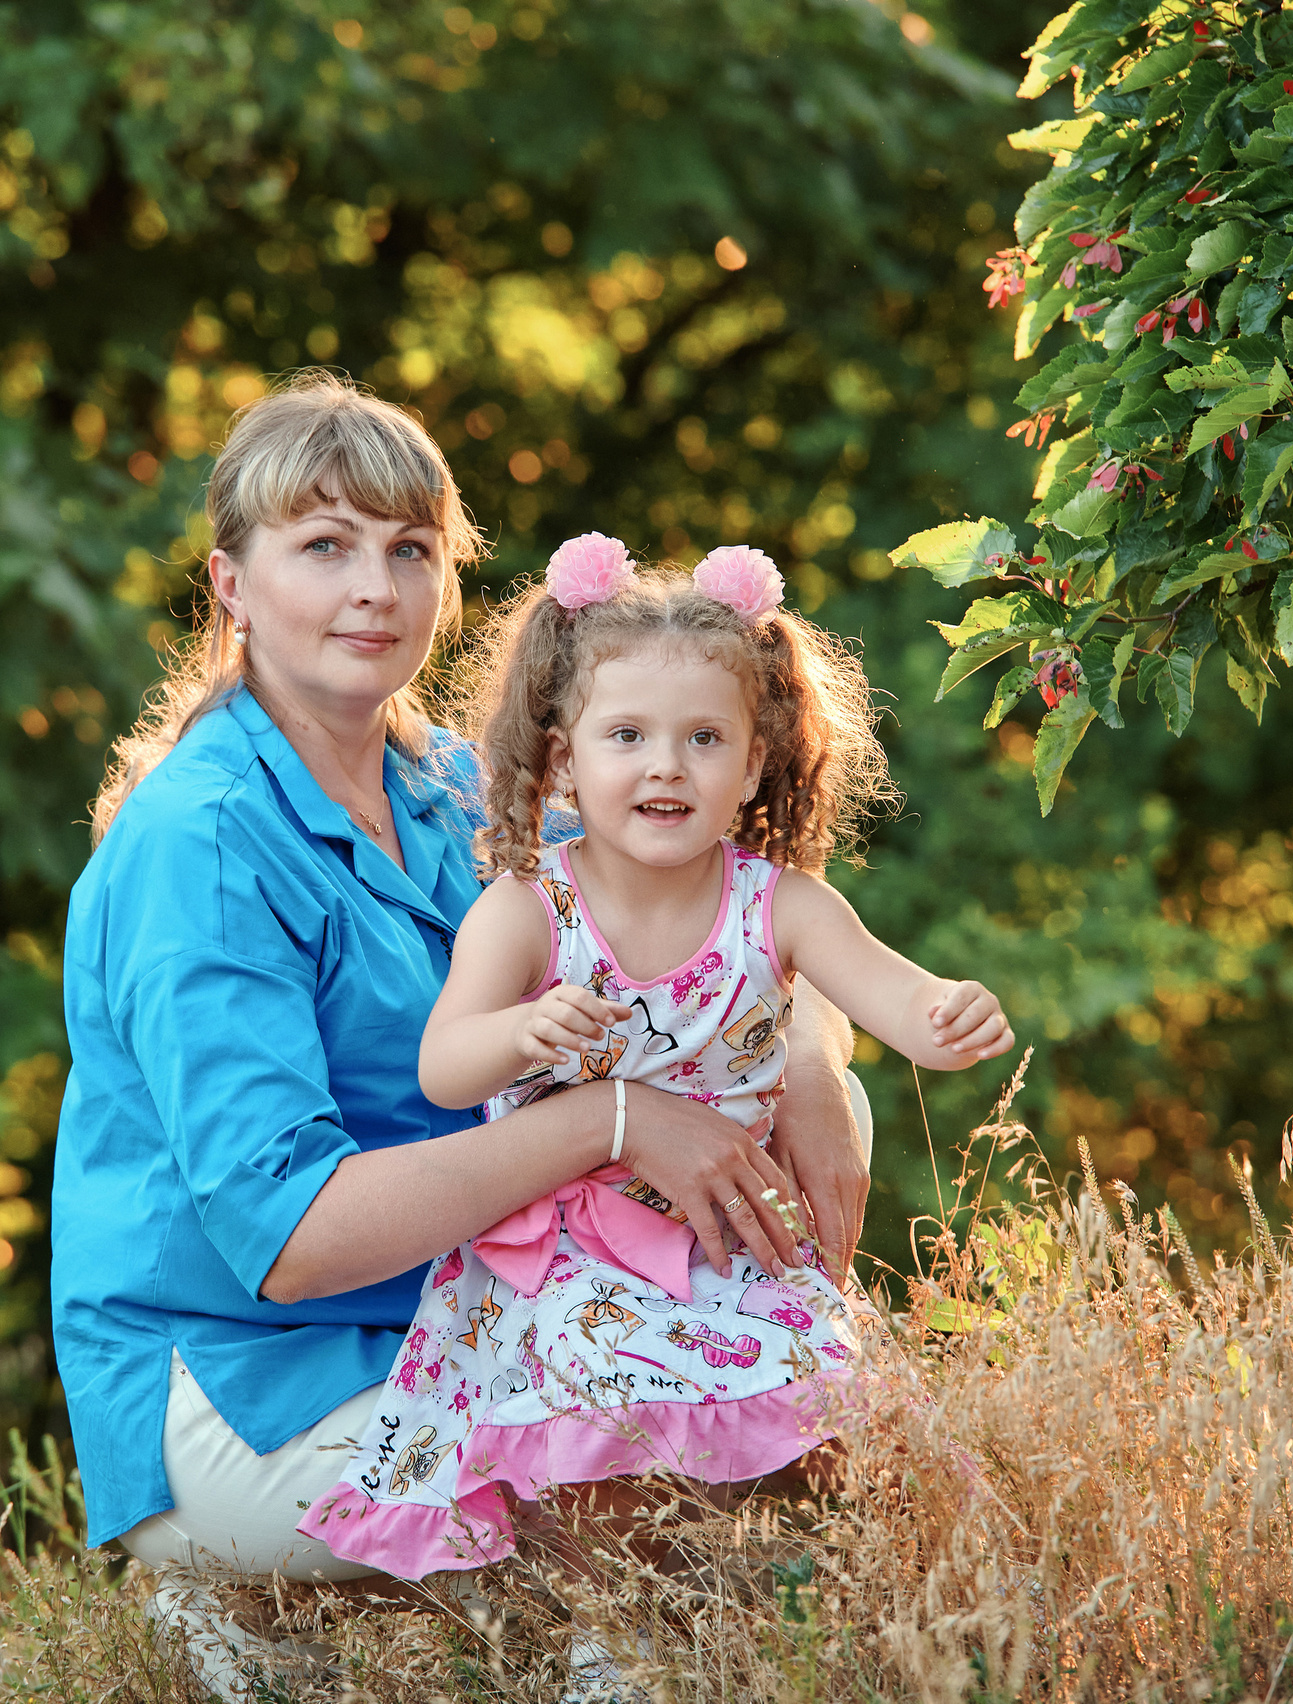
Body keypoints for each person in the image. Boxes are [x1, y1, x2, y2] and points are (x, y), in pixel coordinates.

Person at [50, 376, 874, 1685]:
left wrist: (817, 1055)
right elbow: (295, 1242)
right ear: (230, 583)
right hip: (254, 1372)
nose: (375, 587)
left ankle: (545, 1647)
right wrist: (609, 1122)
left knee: (771, 1419)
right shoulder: (200, 845)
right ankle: (243, 1611)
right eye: (323, 547)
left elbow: (708, 910)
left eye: (411, 550)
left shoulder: (445, 789)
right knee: (652, 1466)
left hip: (465, 1314)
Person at [293, 537, 1013, 1586]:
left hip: (728, 1238)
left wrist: (946, 1016)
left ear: (755, 764)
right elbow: (446, 1069)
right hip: (568, 1256)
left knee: (830, 1427)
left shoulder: (782, 904)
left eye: (705, 739)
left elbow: (889, 994)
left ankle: (762, 1621)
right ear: (565, 759)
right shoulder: (529, 908)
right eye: (626, 734)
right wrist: (517, 1035)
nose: (666, 765)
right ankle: (616, 1644)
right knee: (605, 1447)